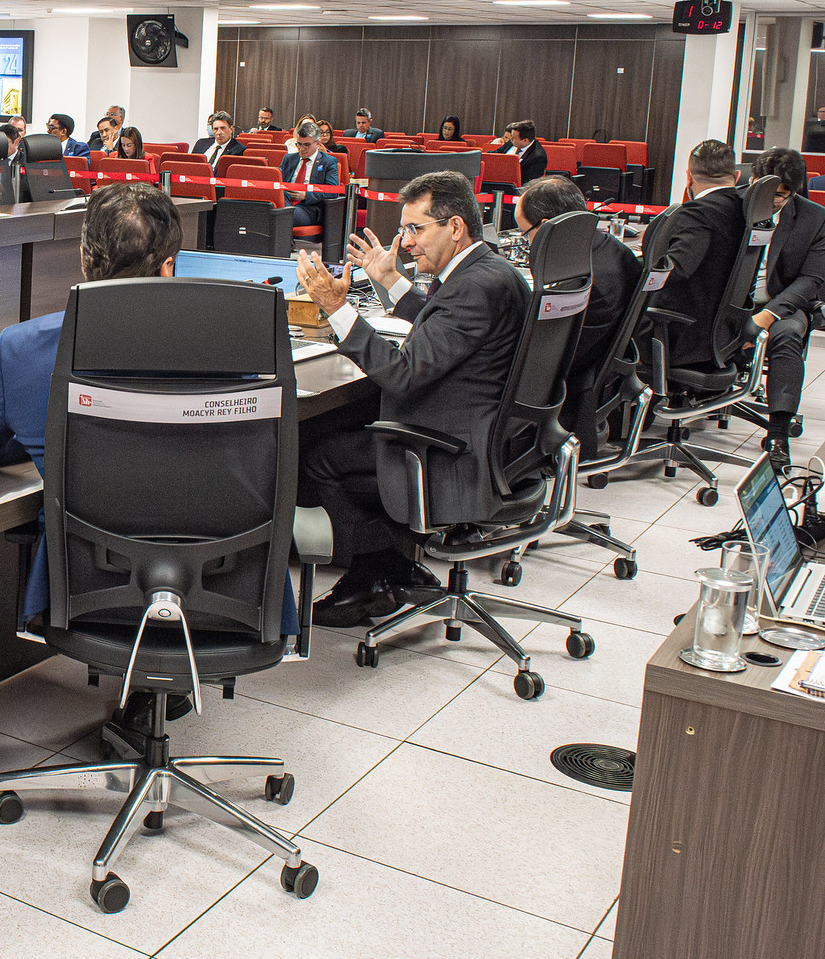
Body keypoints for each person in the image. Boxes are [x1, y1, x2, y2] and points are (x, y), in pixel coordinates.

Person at [0, 184, 297, 641]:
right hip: (230, 593)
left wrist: (35, 437)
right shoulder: (246, 342)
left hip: (88, 593)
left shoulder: (22, 349)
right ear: (169, 265)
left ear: (84, 259)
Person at [294, 171, 529, 625]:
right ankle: (391, 566)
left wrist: (337, 308)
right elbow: (443, 324)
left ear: (455, 227)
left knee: (314, 452)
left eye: (415, 229)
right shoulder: (491, 272)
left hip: (449, 452)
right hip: (484, 436)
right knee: (338, 424)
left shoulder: (474, 287)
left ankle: (374, 575)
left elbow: (402, 376)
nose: (405, 243)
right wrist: (390, 280)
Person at [515, 175, 640, 450]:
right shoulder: (612, 249)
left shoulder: (577, 280)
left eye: (526, 234)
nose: (528, 244)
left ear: (546, 227)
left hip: (561, 387)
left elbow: (541, 354)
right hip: (597, 379)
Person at [752, 148, 825, 465]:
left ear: (793, 192)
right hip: (729, 300)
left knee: (788, 334)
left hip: (782, 300)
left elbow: (811, 280)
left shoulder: (814, 218)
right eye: (763, 190)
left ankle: (778, 434)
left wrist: (767, 315)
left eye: (779, 196)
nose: (770, 200)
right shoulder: (730, 205)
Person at [652, 139, 747, 372]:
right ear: (736, 176)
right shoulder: (746, 210)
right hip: (725, 335)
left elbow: (673, 272)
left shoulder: (697, 214)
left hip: (684, 339)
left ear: (688, 177)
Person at [281, 120, 340, 230]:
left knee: (284, 214)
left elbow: (332, 191)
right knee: (269, 210)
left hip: (309, 208)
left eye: (307, 145)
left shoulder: (328, 162)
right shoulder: (289, 159)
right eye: (299, 144)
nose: (302, 148)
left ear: (317, 143)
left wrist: (306, 195)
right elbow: (277, 182)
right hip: (286, 201)